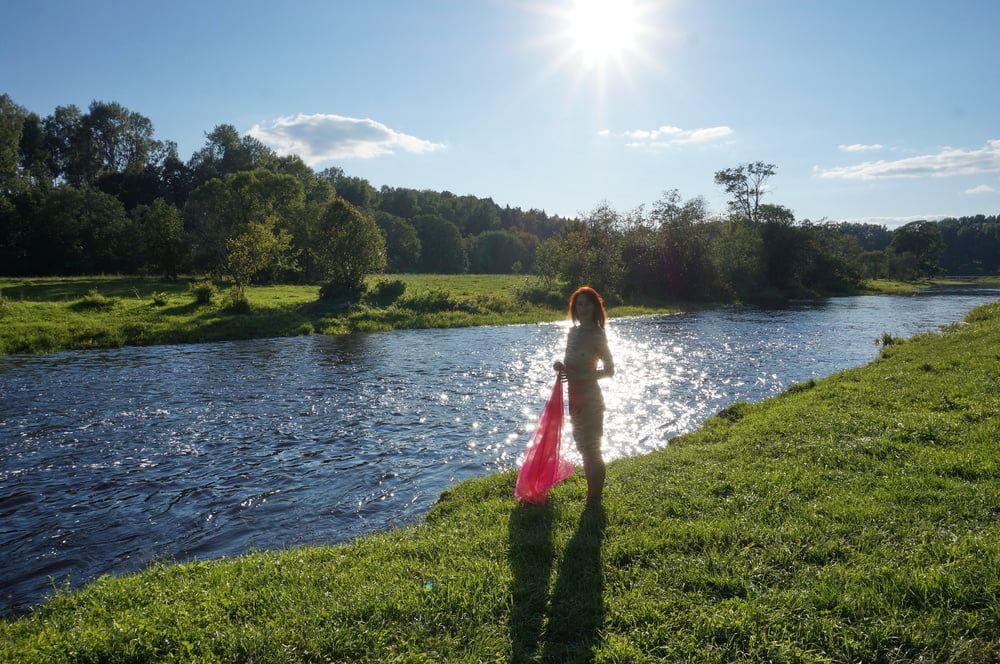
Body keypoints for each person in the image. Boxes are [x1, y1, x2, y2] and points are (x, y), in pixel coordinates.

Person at [553, 286, 615, 501]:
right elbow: (571, 365)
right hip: (574, 400)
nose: (582, 308)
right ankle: (592, 498)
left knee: (592, 450)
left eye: (587, 303)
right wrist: (560, 366)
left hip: (591, 400)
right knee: (582, 448)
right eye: (579, 304)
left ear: (594, 306)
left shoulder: (598, 335)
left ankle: (594, 501)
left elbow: (609, 370)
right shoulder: (572, 333)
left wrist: (581, 376)